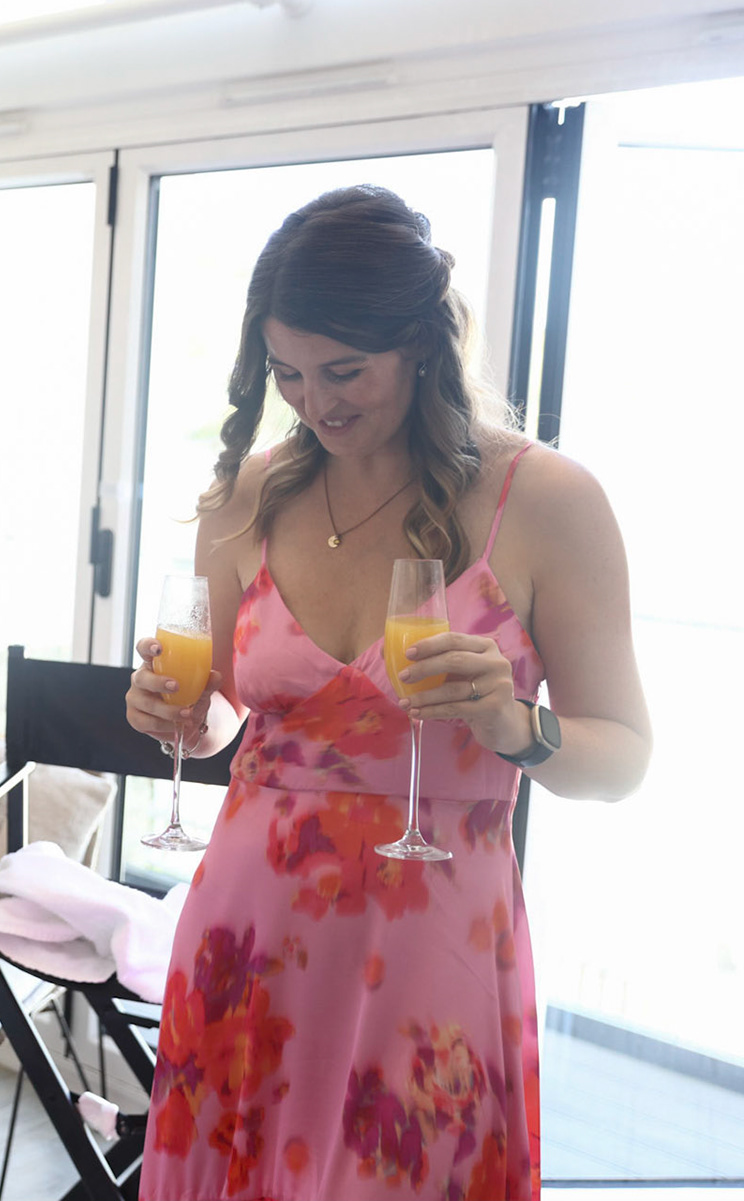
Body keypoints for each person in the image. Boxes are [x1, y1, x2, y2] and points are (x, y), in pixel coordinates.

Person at [125, 184, 650, 1201]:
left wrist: (515, 726)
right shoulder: (250, 494)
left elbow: (624, 757)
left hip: (431, 946)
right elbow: (230, 710)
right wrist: (175, 715)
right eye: (286, 373)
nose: (316, 404)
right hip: (250, 931)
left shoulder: (544, 502)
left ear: (419, 342)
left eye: (343, 370)